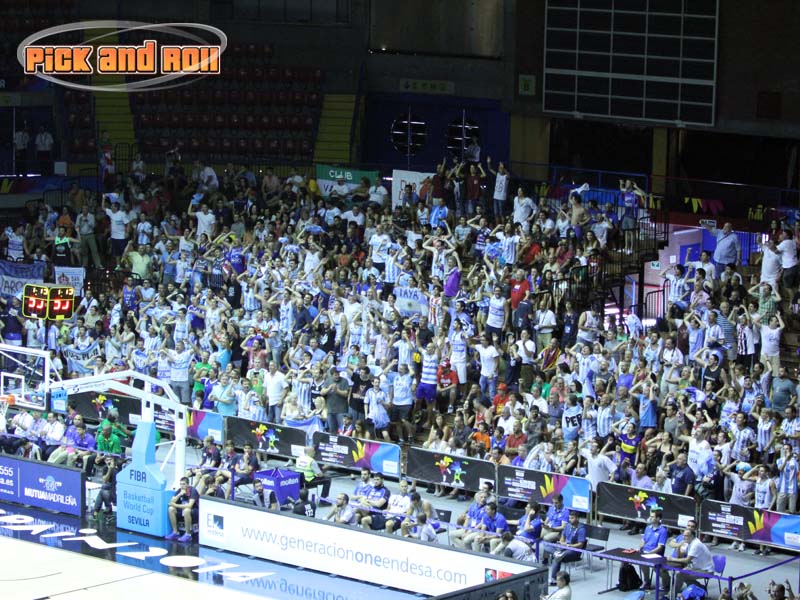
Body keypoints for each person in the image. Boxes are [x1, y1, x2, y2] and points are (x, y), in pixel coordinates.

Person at [667, 527, 714, 600]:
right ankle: (700, 588)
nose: (684, 537)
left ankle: (670, 596)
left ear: (692, 536)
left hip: (707, 571)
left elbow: (687, 560)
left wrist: (672, 559)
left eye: (686, 536)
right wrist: (678, 546)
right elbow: (680, 556)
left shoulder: (696, 544)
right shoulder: (689, 543)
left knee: (681, 575)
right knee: (683, 573)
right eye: (683, 535)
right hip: (697, 568)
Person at [544, 511, 586, 585]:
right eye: (569, 518)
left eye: (572, 518)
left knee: (557, 558)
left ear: (577, 518)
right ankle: (557, 553)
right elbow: (562, 537)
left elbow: (580, 545)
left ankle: (553, 579)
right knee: (546, 546)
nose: (570, 520)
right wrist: (561, 543)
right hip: (563, 548)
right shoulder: (568, 525)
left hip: (574, 551)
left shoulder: (581, 529)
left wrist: (569, 546)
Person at [638, 509, 668, 590]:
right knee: (641, 562)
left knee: (656, 569)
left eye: (652, 517)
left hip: (655, 554)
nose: (650, 518)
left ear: (658, 519)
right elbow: (644, 541)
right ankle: (647, 582)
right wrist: (640, 548)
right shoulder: (648, 528)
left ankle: (667, 583)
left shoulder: (663, 531)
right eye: (650, 516)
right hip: (645, 552)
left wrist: (649, 553)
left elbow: (660, 547)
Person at [165, 477, 200, 543]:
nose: (182, 486)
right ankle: (175, 532)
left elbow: (189, 505)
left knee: (186, 510)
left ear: (188, 484)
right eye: (181, 484)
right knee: (171, 509)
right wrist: (179, 494)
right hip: (183, 509)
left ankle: (188, 535)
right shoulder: (179, 490)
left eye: (184, 484)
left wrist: (175, 505)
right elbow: (171, 502)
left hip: (195, 511)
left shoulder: (193, 491)